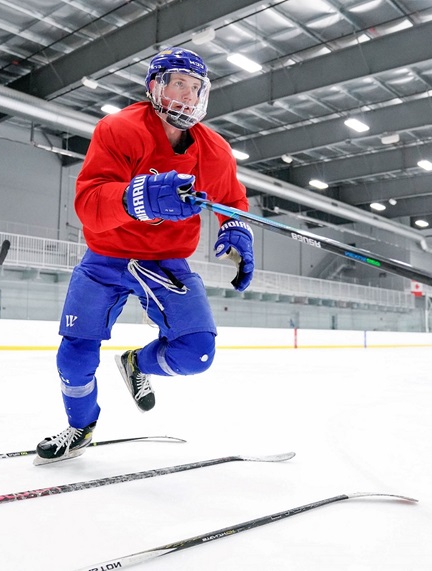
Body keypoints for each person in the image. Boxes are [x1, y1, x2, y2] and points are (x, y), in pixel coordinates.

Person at [36, 48, 255, 462]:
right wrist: (139, 197)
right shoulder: (119, 129)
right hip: (106, 258)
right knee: (74, 355)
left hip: (165, 262)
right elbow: (87, 203)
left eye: (195, 88)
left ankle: (137, 364)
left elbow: (231, 202)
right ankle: (80, 427)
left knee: (197, 353)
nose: (188, 96)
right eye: (179, 84)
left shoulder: (215, 151)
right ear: (156, 86)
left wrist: (236, 232)